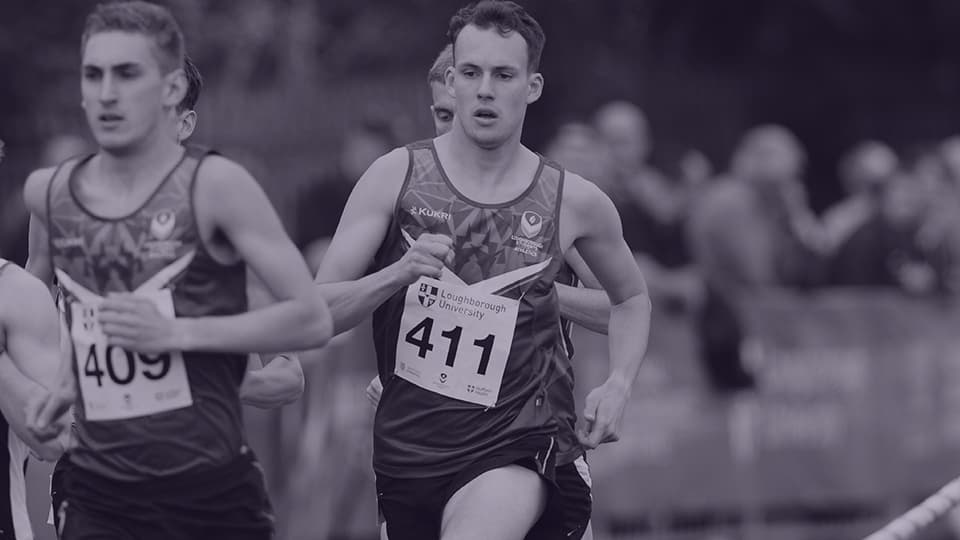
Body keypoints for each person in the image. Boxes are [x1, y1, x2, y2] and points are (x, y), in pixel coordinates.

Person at [314, 2, 651, 539]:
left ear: (532, 86)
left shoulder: (573, 201)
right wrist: (396, 275)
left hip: (522, 447)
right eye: (471, 73)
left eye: (503, 74)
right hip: (408, 456)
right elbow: (316, 315)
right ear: (451, 80)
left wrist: (619, 383)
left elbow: (631, 300)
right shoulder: (393, 178)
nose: (485, 89)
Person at [21, 3, 332, 539]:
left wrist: (180, 340)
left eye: (128, 74)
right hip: (93, 482)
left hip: (205, 488)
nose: (107, 93)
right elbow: (65, 312)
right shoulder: (50, 196)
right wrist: (62, 384)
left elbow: (310, 322)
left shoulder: (217, 190)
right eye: (93, 75)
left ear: (173, 100)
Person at [364, 43, 610, 540]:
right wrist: (396, 376)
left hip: (533, 442)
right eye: (441, 114)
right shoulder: (405, 189)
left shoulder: (543, 197)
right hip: (422, 447)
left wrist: (540, 293)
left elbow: (618, 306)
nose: (456, 124)